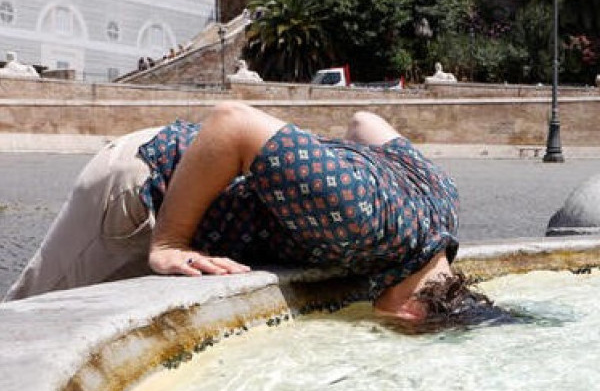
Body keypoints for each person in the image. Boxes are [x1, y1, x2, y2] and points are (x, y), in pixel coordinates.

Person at [3, 102, 496, 328]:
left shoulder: (442, 203)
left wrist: (309, 168)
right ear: (411, 312)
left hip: (186, 183)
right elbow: (232, 121)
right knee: (30, 332)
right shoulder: (360, 218)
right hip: (138, 184)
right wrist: (171, 242)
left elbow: (364, 122)